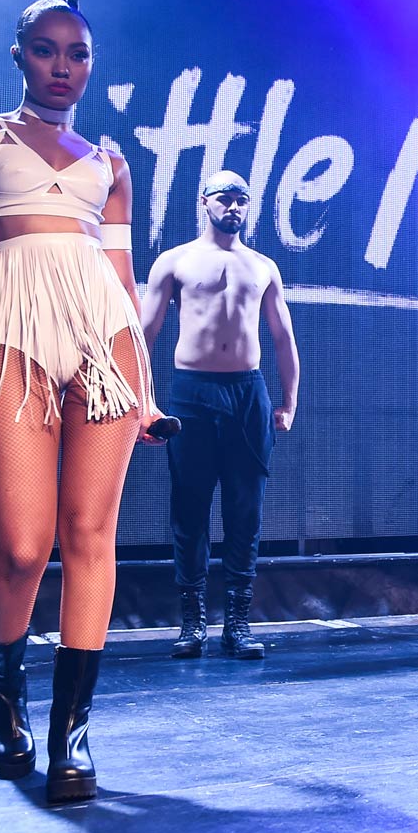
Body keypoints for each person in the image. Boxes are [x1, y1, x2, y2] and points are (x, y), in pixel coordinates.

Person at [0, 0, 166, 802]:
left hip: (103, 340)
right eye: (46, 49)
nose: (62, 66)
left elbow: (121, 276)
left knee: (91, 535)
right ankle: (6, 704)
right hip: (14, 334)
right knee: (26, 547)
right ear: (18, 54)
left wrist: (144, 385)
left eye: (78, 54)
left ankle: (73, 738)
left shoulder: (111, 162)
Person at [141, 171, 299, 660]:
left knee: (245, 511)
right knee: (189, 510)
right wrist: (140, 400)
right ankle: (192, 623)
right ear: (203, 201)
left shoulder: (263, 266)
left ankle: (238, 623)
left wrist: (289, 402)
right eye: (225, 198)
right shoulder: (175, 261)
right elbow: (143, 334)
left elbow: (283, 337)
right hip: (192, 393)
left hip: (246, 394)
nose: (234, 207)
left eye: (242, 200)